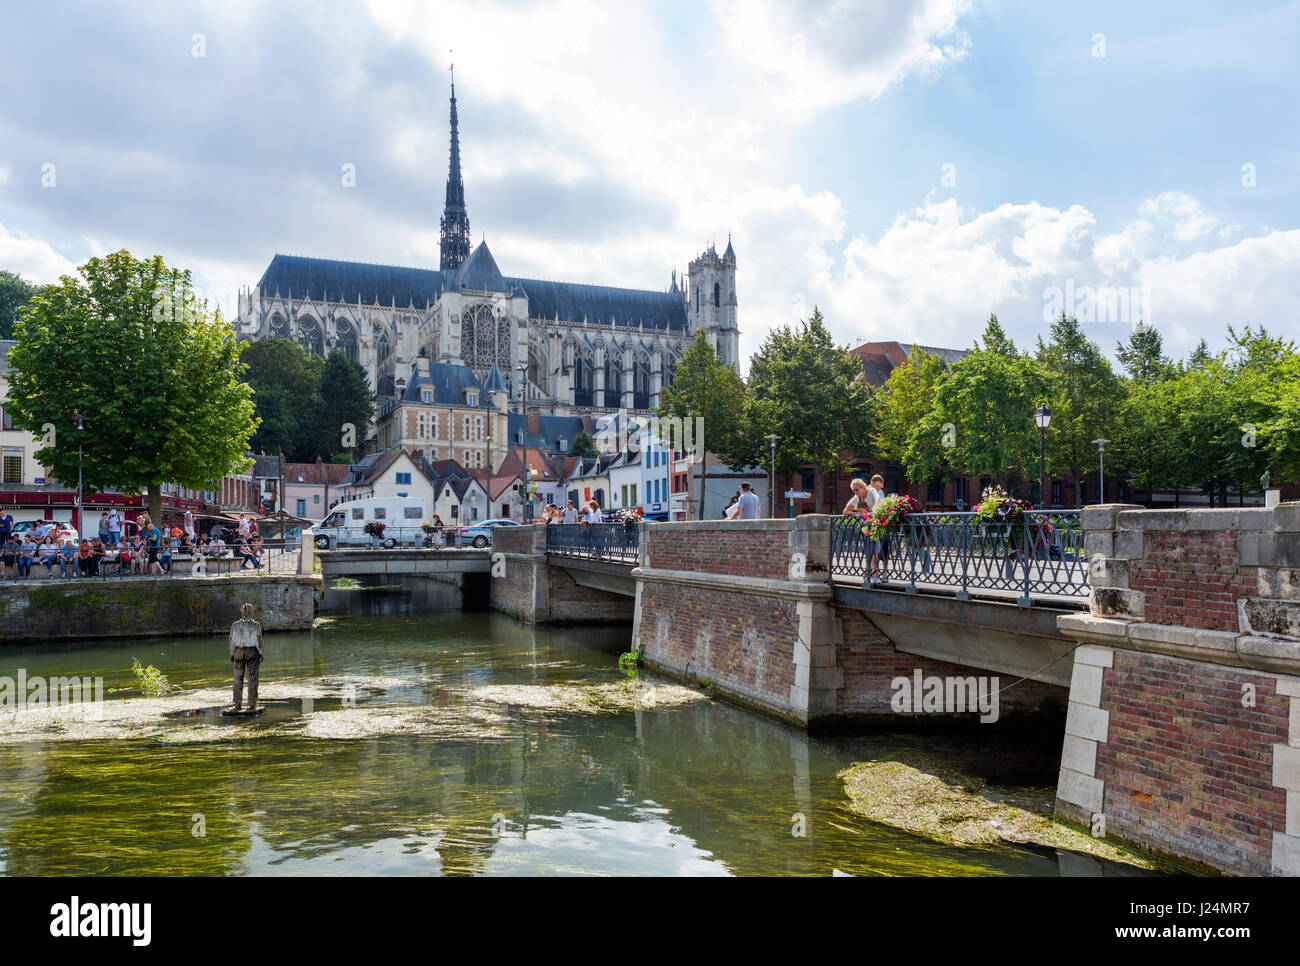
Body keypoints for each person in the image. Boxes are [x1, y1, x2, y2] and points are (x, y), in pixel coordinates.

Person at [228, 602, 264, 713]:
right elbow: (259, 641)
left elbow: (231, 641)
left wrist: (232, 653)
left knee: (237, 679)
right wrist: (261, 653)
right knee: (252, 678)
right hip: (252, 652)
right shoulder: (256, 625)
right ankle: (252, 704)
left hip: (238, 651)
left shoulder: (235, 625)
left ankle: (237, 704)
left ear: (241, 612)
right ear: (251, 612)